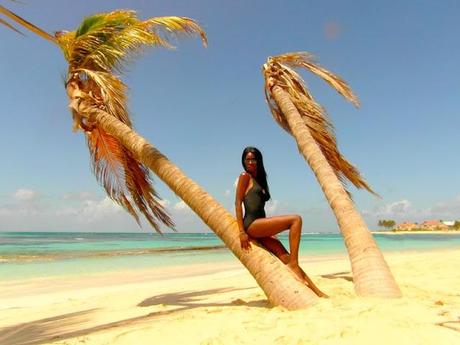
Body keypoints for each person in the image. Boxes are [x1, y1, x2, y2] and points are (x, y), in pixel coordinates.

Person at [235, 146, 327, 297]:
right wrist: (241, 231)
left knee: (286, 257)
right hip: (251, 224)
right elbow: (238, 203)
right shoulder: (244, 176)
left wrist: (268, 230)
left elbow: (259, 208)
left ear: (258, 161)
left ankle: (317, 292)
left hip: (260, 225)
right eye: (247, 159)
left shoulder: (259, 180)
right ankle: (294, 264)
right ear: (244, 161)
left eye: (253, 159)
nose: (250, 162)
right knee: (295, 220)